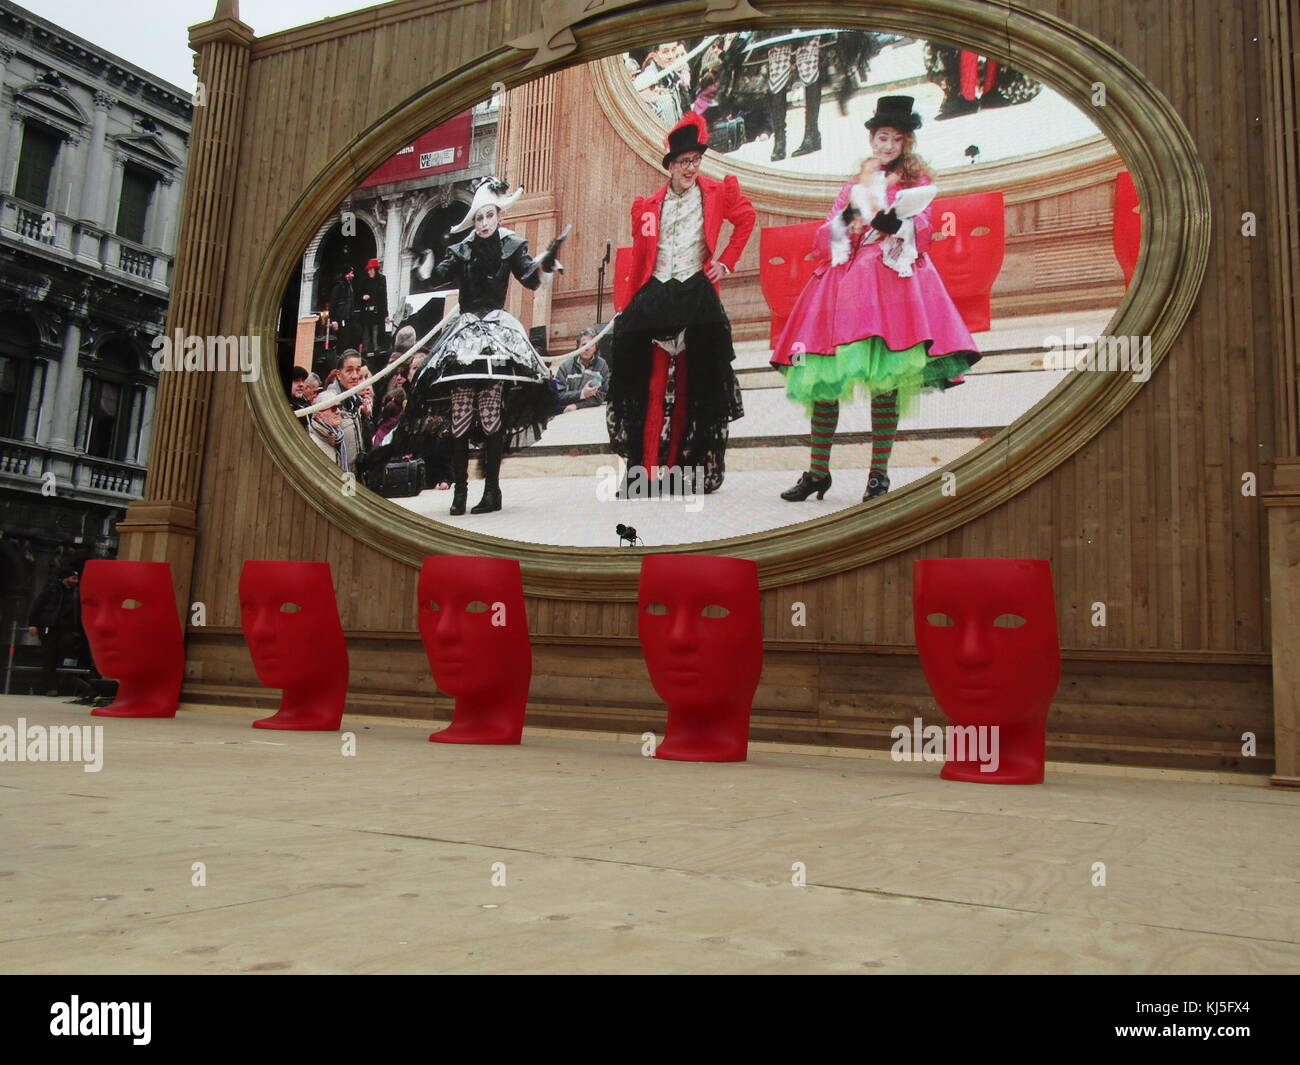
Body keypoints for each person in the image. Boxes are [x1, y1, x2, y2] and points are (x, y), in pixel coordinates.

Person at [770, 96, 982, 502]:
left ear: (906, 143)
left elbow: (925, 229)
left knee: (887, 378)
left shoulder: (917, 182)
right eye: (882, 137)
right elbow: (825, 238)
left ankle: (878, 475)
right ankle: (817, 472)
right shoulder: (854, 184)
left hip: (890, 289)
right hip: (842, 289)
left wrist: (893, 223)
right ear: (872, 138)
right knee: (823, 377)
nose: (888, 145)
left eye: (896, 139)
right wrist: (849, 218)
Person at [384, 176, 566, 515]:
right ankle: (460, 493)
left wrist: (547, 263)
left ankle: (492, 492)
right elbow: (440, 272)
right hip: (466, 332)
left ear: (498, 215)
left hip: (497, 332)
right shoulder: (462, 248)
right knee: (460, 413)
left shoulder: (512, 245)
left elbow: (528, 279)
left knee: (490, 411)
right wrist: (425, 268)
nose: (483, 223)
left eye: (489, 215)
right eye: (478, 217)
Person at [606, 112, 754, 495]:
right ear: (670, 165)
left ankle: (679, 469)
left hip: (696, 296)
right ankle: (647, 473)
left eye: (696, 161)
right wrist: (627, 305)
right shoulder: (649, 206)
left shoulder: (717, 193)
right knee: (651, 387)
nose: (692, 168)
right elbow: (641, 261)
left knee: (693, 386)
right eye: (685, 162)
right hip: (656, 297)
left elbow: (746, 219)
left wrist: (726, 261)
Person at [27, 567, 82, 696]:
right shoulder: (52, 590)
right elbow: (37, 606)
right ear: (65, 578)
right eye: (73, 578)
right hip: (51, 627)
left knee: (65, 647)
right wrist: (33, 624)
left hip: (67, 628)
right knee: (49, 657)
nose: (76, 581)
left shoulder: (76, 593)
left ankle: (58, 683)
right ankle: (49, 686)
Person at [554, 328, 611, 413]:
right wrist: (582, 393)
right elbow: (559, 396)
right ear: (578, 346)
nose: (587, 348)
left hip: (591, 414)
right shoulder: (565, 367)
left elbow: (601, 396)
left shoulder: (602, 365)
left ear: (596, 348)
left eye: (591, 345)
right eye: (584, 344)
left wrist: (577, 406)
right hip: (567, 414)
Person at [358, 257, 389, 354]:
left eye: (371, 270)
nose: (369, 272)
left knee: (376, 328)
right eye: (368, 270)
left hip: (377, 309)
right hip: (366, 309)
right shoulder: (364, 280)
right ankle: (366, 348)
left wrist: (386, 314)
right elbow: (358, 295)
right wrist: (363, 297)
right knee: (366, 329)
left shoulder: (382, 279)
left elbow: (384, 297)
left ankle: (376, 347)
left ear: (375, 270)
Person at [328, 266, 358, 351]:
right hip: (341, 317)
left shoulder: (350, 286)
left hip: (348, 317)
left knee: (350, 337)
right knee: (342, 340)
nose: (353, 275)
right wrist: (333, 320)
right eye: (351, 273)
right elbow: (333, 303)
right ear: (346, 274)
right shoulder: (339, 286)